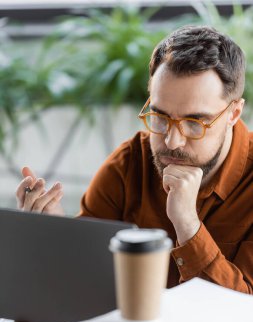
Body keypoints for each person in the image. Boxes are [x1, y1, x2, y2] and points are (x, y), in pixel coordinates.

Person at [16, 25, 253, 293]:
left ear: (234, 113)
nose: (172, 142)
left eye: (195, 122)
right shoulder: (128, 165)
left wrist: (187, 224)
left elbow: (243, 313)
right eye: (160, 117)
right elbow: (82, 284)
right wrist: (56, 235)